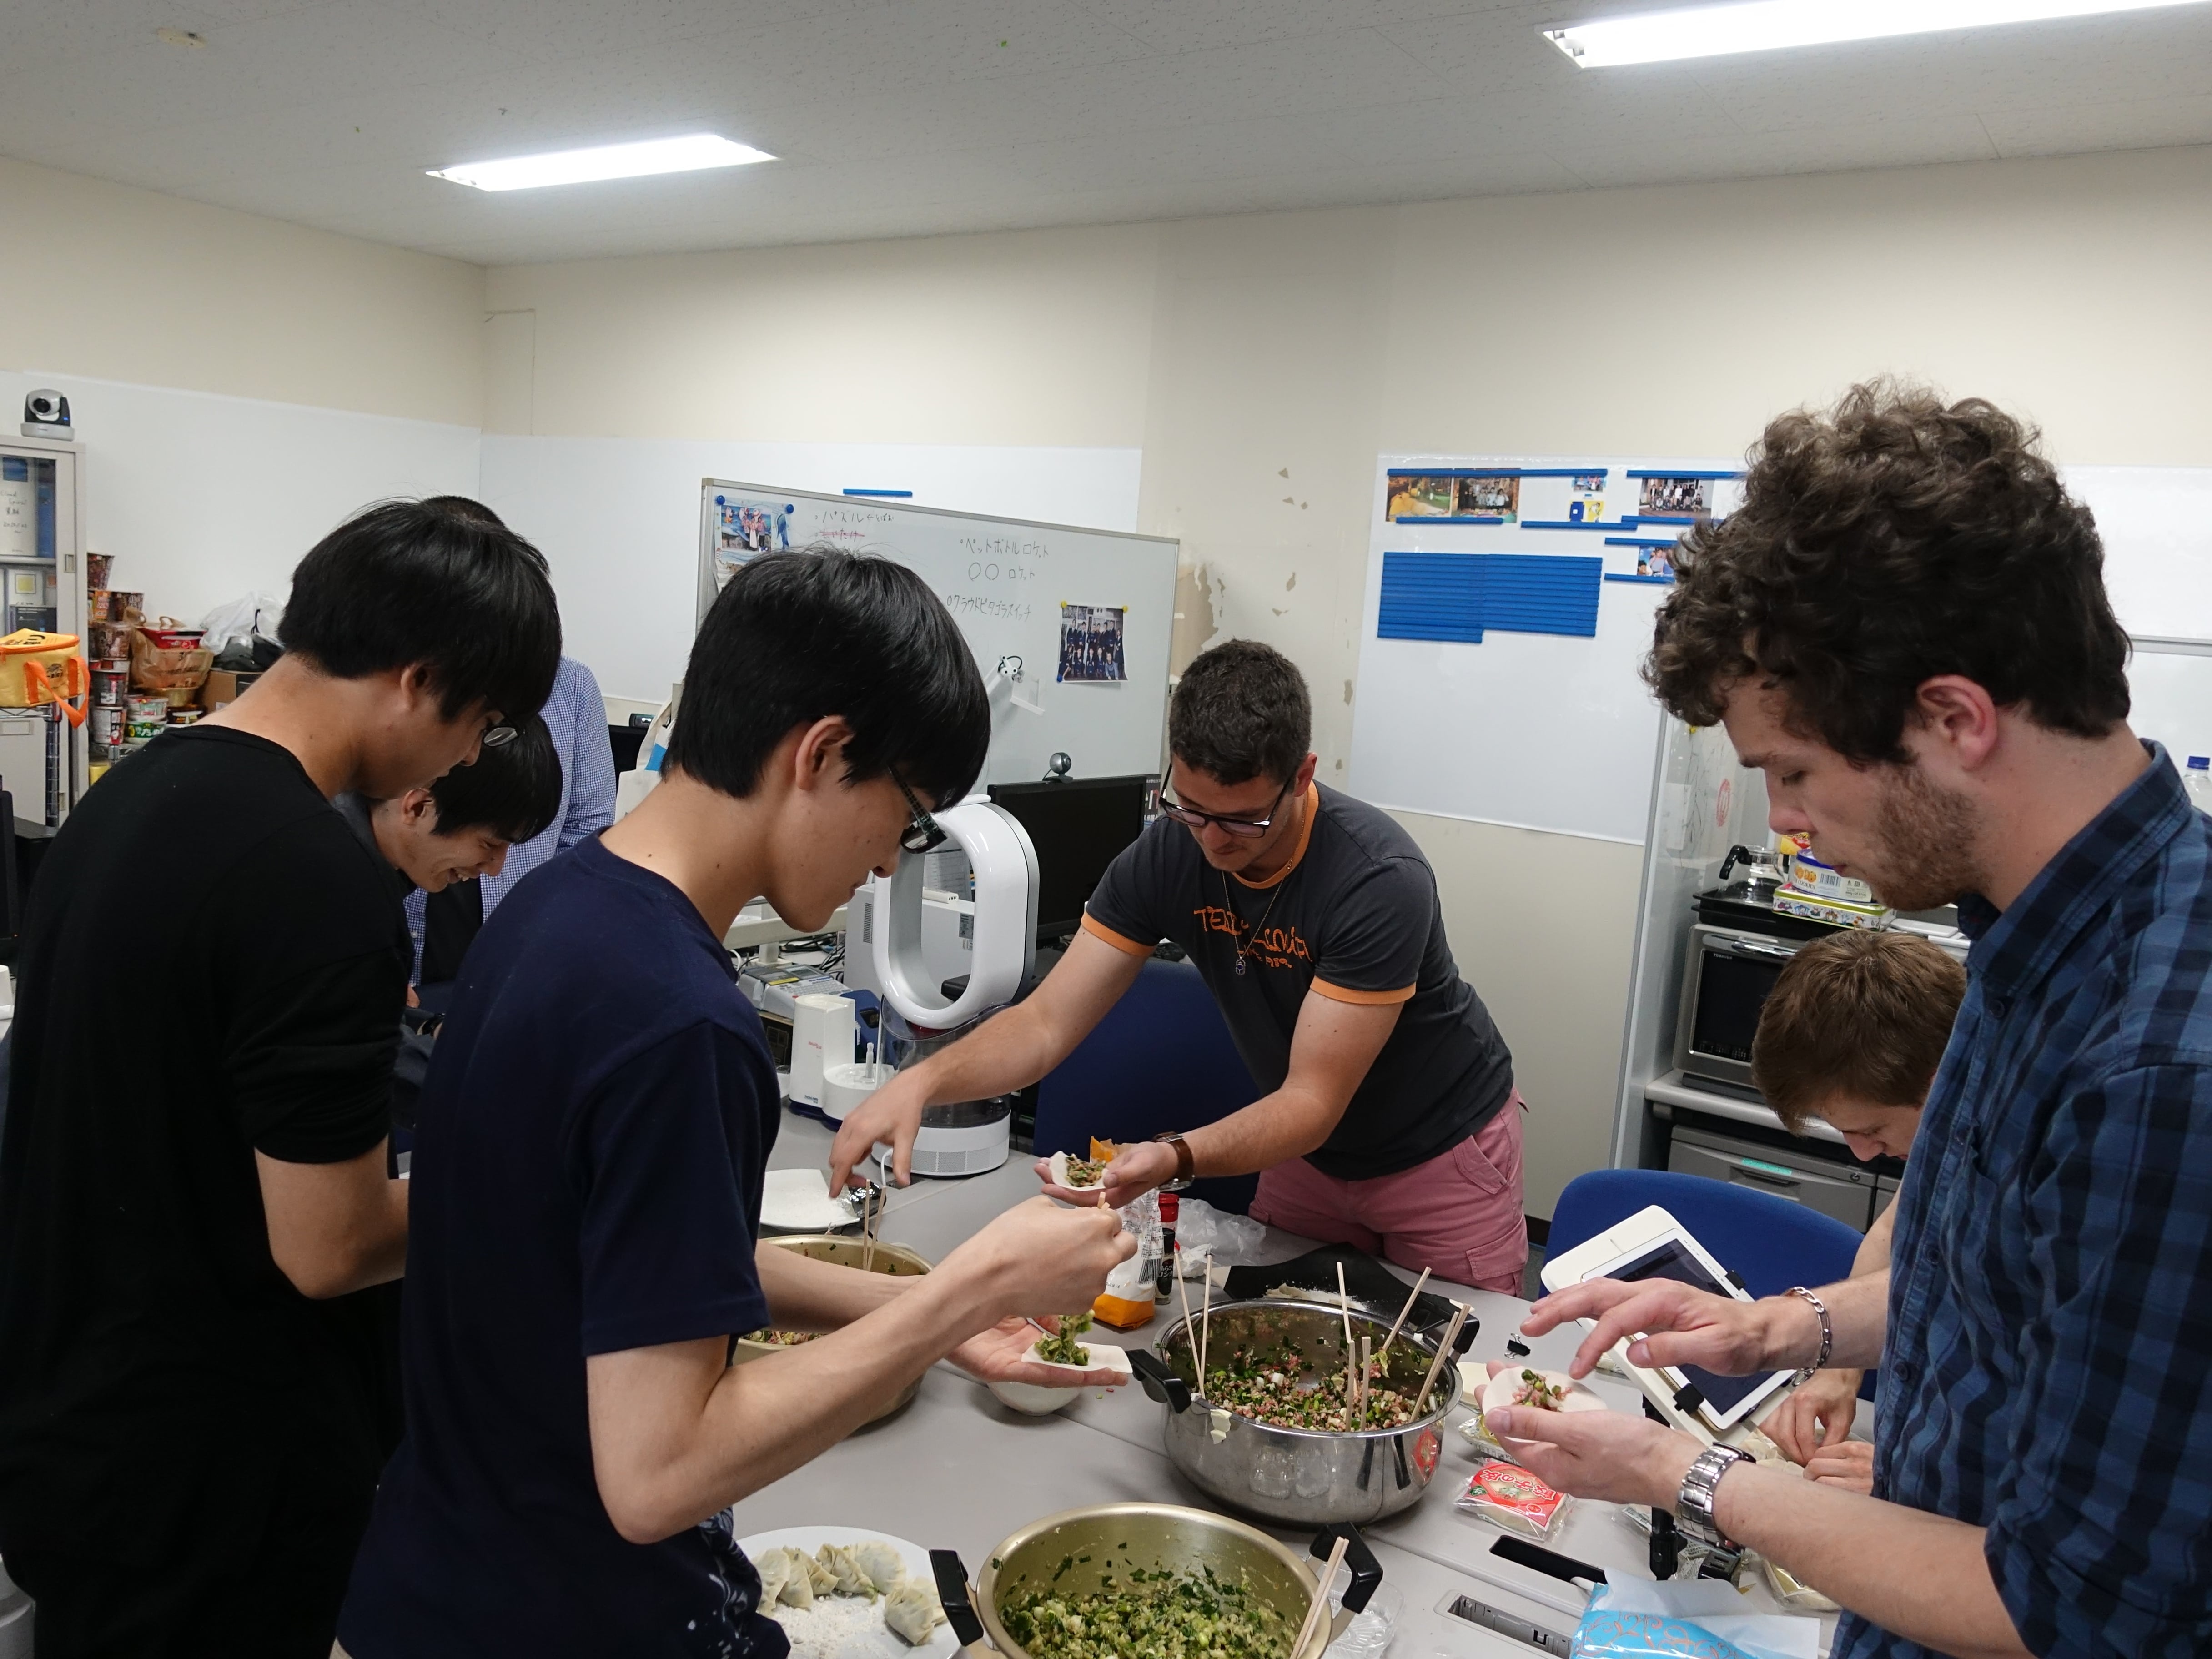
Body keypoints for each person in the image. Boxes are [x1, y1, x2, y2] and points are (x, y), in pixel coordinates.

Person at [1490, 384, 2212, 1659]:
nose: (1782, 823)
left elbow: (2064, 1610)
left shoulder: (2157, 1070)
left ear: (1953, 720)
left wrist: (1677, 1473)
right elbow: (1988, 1289)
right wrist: (1774, 1328)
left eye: (1794, 771)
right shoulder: (2029, 932)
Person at [338, 548, 1131, 1659]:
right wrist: (974, 1287)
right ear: (821, 754)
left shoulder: (554, 912)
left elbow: (627, 1264)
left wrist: (933, 1311)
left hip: (434, 1582)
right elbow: (657, 1477)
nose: (887, 865)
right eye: (905, 819)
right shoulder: (682, 1025)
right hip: (569, 1618)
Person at [0, 496, 559, 1659]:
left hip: (75, 1417)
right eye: (480, 722)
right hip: (210, 1476)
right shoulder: (314, 882)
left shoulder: (128, 796)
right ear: (417, 681)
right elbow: (330, 1246)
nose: (469, 757)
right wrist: (523, 1191)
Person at [833, 638, 1528, 1290]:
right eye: (1190, 808)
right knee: (1283, 1333)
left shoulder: (1376, 878)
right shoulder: (1170, 853)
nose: (1213, 841)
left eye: (1243, 820)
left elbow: (1313, 1101)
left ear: (1302, 776)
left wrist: (1176, 1155)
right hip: (1310, 1157)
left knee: (1449, 1347)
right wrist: (922, 1083)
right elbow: (1045, 1023)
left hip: (1439, 1153)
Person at [1747, 929, 1966, 1496]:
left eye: (1871, 1129)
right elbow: (1895, 1230)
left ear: (1939, 1081)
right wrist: (1838, 1370)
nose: (1862, 1154)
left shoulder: (2023, 1165)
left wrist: (1914, 1477)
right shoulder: (1943, 1130)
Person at [398, 655, 616, 984]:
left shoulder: (571, 686)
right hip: (403, 926)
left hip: (515, 939)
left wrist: (547, 936)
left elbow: (589, 829)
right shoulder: (413, 668)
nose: (471, 752)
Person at [339, 711, 564, 986]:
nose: (495, 869)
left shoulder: (374, 878)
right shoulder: (321, 881)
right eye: (490, 844)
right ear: (418, 807)